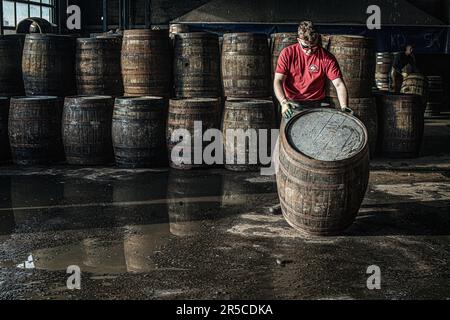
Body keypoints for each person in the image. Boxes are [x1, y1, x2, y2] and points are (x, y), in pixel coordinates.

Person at [274, 21, 350, 120]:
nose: (309, 50)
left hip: (316, 104)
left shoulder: (327, 58)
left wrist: (344, 107)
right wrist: (283, 102)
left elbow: (339, 84)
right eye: (305, 46)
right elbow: (278, 80)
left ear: (317, 39)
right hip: (291, 103)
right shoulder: (287, 53)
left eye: (313, 46)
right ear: (298, 40)